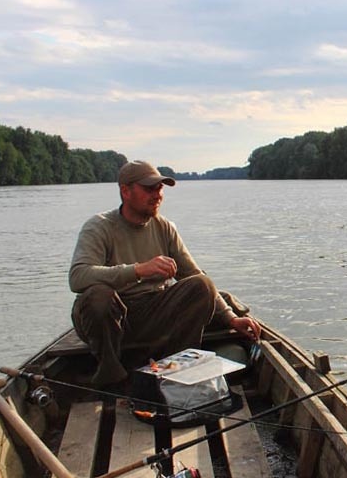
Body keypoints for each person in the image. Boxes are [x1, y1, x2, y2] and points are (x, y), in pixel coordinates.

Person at [69, 160, 261, 387]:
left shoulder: (165, 227)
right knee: (97, 295)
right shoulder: (99, 227)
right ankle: (111, 372)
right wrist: (138, 270)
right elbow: (78, 277)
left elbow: (195, 275)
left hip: (151, 312)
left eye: (160, 189)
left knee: (201, 285)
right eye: (149, 189)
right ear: (125, 191)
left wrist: (231, 318)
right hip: (113, 319)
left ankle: (175, 370)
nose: (157, 195)